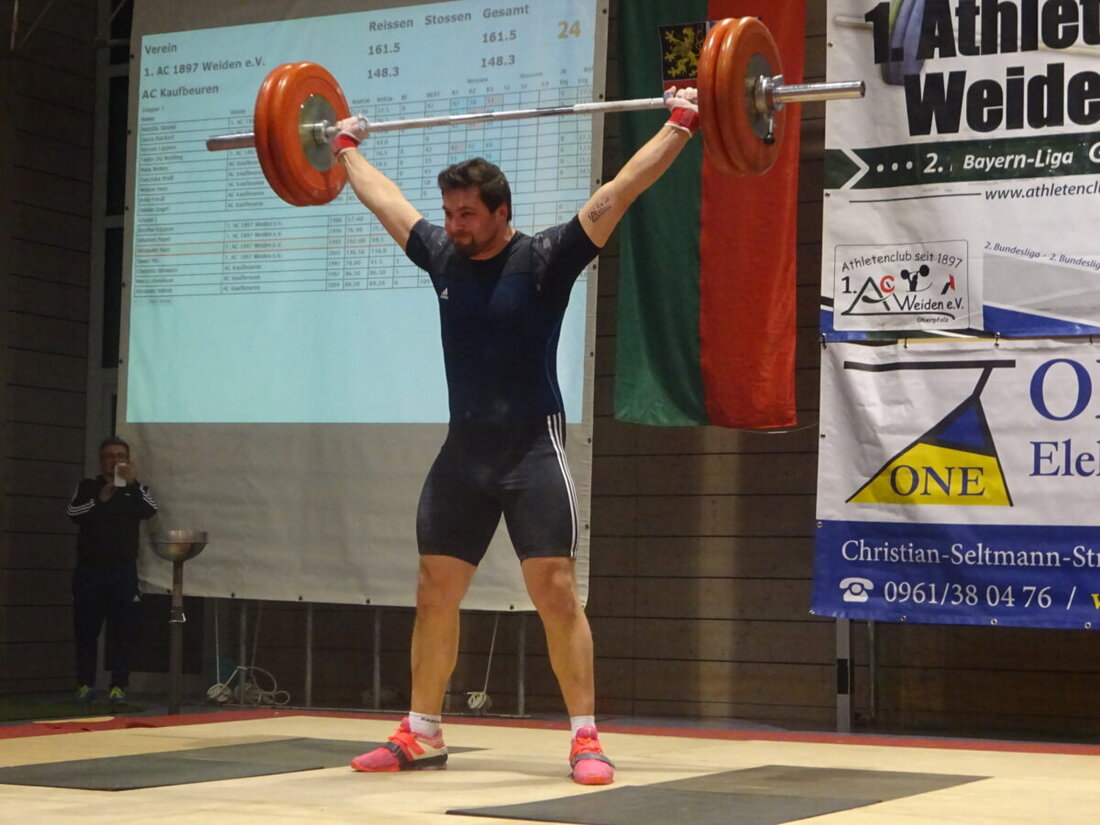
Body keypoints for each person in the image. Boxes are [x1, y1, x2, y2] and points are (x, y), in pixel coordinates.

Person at [335, 87, 700, 785]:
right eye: (449, 213)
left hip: (533, 451)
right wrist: (345, 148)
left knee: (555, 591)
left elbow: (621, 191)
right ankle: (421, 732)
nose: (454, 225)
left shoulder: (545, 259)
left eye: (467, 214)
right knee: (433, 590)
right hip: (464, 456)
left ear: (502, 212)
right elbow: (387, 202)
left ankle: (586, 738)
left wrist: (680, 124)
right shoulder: (443, 257)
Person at [66, 436, 158, 704]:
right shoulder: (88, 487)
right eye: (109, 456)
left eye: (120, 456)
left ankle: (119, 686)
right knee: (86, 631)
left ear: (127, 460)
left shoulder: (136, 489)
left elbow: (150, 510)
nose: (114, 460)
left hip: (122, 572)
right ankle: (85, 684)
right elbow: (73, 513)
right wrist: (100, 499)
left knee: (124, 631)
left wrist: (132, 484)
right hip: (89, 572)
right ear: (101, 460)